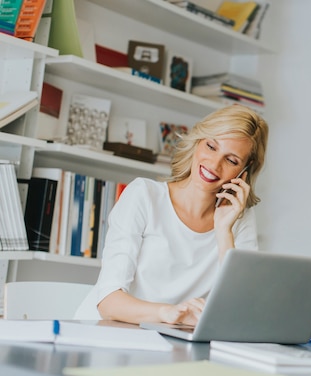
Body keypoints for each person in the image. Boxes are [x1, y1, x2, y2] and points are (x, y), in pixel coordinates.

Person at [74, 104, 268, 325]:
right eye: (211, 146)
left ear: (245, 170)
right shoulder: (144, 195)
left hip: (170, 341)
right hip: (106, 333)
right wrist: (168, 313)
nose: (214, 165)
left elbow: (241, 310)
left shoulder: (238, 218)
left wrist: (223, 231)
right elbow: (109, 302)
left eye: (231, 160)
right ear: (197, 141)